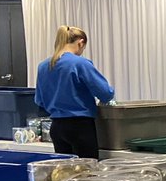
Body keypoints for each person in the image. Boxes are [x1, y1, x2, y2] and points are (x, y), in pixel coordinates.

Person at [34, 25, 114, 159]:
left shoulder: (43, 66)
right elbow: (105, 93)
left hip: (56, 128)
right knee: (86, 173)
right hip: (80, 127)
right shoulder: (80, 64)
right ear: (80, 42)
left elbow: (40, 100)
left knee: (65, 173)